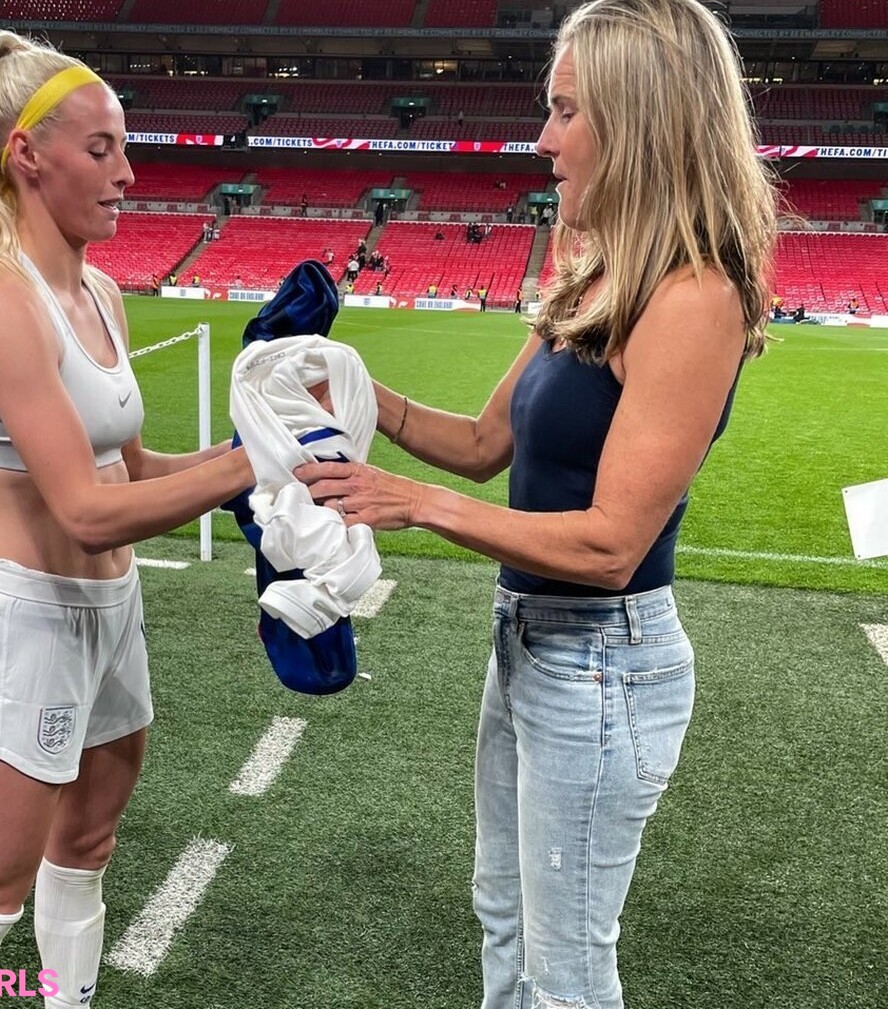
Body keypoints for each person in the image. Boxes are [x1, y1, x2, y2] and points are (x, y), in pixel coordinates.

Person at [295, 2, 777, 1006]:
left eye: (565, 111)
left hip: (604, 662)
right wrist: (352, 390)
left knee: (565, 975)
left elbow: (609, 546)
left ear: (637, 121)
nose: (543, 140)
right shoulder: (599, 273)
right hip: (529, 641)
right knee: (506, 926)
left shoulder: (695, 296)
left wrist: (413, 504)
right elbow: (483, 445)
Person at [0, 30, 255, 1009]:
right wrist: (252, 466)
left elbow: (134, 469)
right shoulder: (1, 300)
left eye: (125, 148)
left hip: (113, 615)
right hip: (26, 622)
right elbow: (86, 509)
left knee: (87, 847)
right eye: (102, 149)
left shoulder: (101, 291)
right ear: (28, 155)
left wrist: (260, 446)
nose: (128, 174)